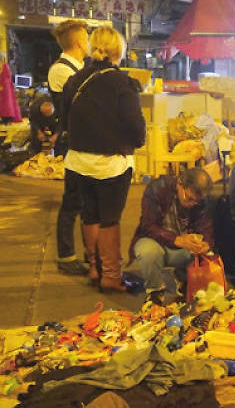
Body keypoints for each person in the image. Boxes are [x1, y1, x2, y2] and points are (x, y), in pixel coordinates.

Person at [61, 26, 146, 292]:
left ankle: (95, 268)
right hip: (111, 164)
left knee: (90, 213)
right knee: (110, 218)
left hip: (78, 161)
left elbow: (65, 119)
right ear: (118, 50)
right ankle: (111, 275)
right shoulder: (122, 83)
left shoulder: (75, 80)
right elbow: (136, 128)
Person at [131, 169, 214, 305]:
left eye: (196, 202)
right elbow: (148, 226)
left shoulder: (201, 200)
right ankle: (155, 292)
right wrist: (177, 240)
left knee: (206, 253)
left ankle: (186, 281)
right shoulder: (157, 188)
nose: (191, 203)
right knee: (147, 251)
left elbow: (206, 227)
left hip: (184, 246)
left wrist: (206, 243)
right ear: (179, 184)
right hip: (156, 242)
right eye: (189, 198)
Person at [50, 20, 89, 276]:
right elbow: (83, 103)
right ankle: (66, 255)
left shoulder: (79, 67)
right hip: (73, 142)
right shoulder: (62, 70)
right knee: (73, 200)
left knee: (88, 202)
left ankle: (90, 252)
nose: (89, 43)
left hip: (86, 142)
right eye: (86, 38)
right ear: (77, 42)